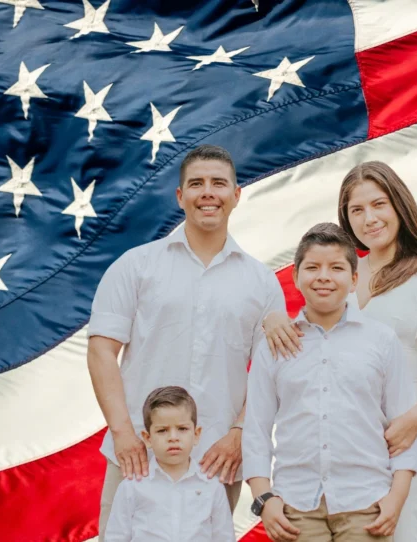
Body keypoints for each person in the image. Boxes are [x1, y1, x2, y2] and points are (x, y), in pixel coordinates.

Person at [262, 162, 417, 541]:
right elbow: (307, 337)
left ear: (399, 205)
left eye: (379, 204)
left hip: (402, 434)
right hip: (340, 441)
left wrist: (413, 420)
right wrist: (273, 318)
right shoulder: (342, 271)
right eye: (356, 210)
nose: (369, 218)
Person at [87, 144, 286, 540]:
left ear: (236, 195)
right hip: (139, 456)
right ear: (180, 196)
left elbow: (271, 369)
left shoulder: (261, 282)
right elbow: (101, 352)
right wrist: (125, 433)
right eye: (196, 184)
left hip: (217, 458)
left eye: (218, 183)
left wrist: (240, 433)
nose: (207, 192)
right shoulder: (135, 265)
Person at [244, 222, 417, 542]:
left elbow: (404, 427)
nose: (323, 276)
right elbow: (256, 430)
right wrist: (264, 499)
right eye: (312, 267)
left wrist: (396, 498)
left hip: (366, 505)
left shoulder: (381, 340)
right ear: (296, 277)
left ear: (354, 279)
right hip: (295, 509)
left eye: (336, 267)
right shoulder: (275, 346)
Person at [104, 386, 236, 542]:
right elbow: (116, 537)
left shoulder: (212, 487)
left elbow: (224, 538)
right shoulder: (132, 487)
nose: (173, 437)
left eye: (182, 429)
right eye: (162, 431)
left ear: (196, 435)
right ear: (147, 438)